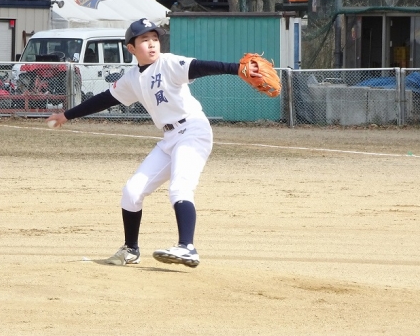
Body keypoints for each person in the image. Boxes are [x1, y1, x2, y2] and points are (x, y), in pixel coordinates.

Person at [47, 18, 262, 268]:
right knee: (132, 192)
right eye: (144, 39)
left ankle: (187, 247)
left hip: (193, 131)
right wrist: (66, 115)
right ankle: (130, 250)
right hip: (169, 138)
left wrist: (236, 68)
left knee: (180, 188)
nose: (152, 44)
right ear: (131, 48)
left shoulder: (168, 63)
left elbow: (200, 67)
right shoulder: (131, 78)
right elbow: (104, 99)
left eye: (155, 39)